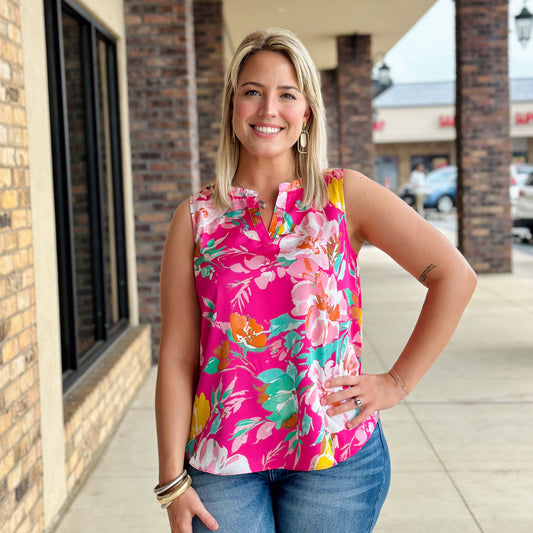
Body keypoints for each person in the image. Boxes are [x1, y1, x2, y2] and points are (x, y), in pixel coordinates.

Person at [155, 28, 477, 533]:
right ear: (232, 105)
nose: (268, 110)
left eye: (287, 94)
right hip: (223, 463)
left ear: (306, 112)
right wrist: (172, 481)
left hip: (336, 458)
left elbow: (453, 276)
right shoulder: (195, 219)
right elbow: (176, 357)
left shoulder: (344, 196)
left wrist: (396, 382)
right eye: (253, 92)